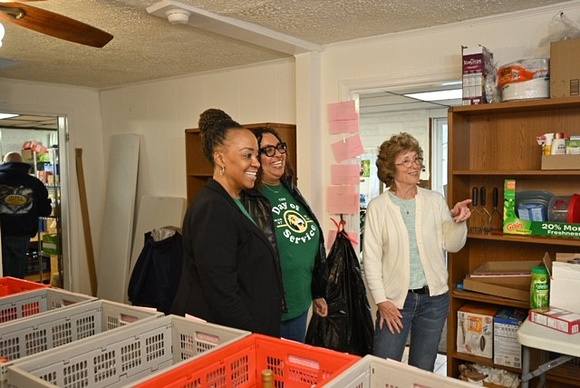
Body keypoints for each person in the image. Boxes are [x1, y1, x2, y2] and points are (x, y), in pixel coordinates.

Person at [362, 132, 471, 371]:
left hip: (434, 299)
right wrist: (381, 301)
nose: (415, 166)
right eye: (407, 161)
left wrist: (460, 222)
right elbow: (371, 259)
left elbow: (452, 244)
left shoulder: (434, 200)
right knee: (384, 367)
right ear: (391, 168)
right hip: (396, 302)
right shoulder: (378, 208)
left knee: (422, 369)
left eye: (417, 159)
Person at [171, 110, 284, 337]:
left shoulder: (239, 200)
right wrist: (253, 338)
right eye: (247, 155)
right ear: (220, 158)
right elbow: (222, 292)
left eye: (256, 155)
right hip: (229, 336)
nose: (256, 163)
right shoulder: (212, 209)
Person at [243, 126, 328, 343]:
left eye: (280, 147)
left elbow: (311, 239)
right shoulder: (249, 198)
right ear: (254, 158)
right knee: (272, 371)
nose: (278, 154)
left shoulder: (290, 189)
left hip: (299, 302)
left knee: (289, 368)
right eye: (268, 150)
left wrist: (317, 291)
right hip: (270, 308)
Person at [0, 151, 52, 278]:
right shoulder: (35, 183)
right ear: (22, 163)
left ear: (4, 163)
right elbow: (45, 210)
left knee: (2, 272)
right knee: (18, 272)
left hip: (1, 234)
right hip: (23, 233)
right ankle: (17, 295)